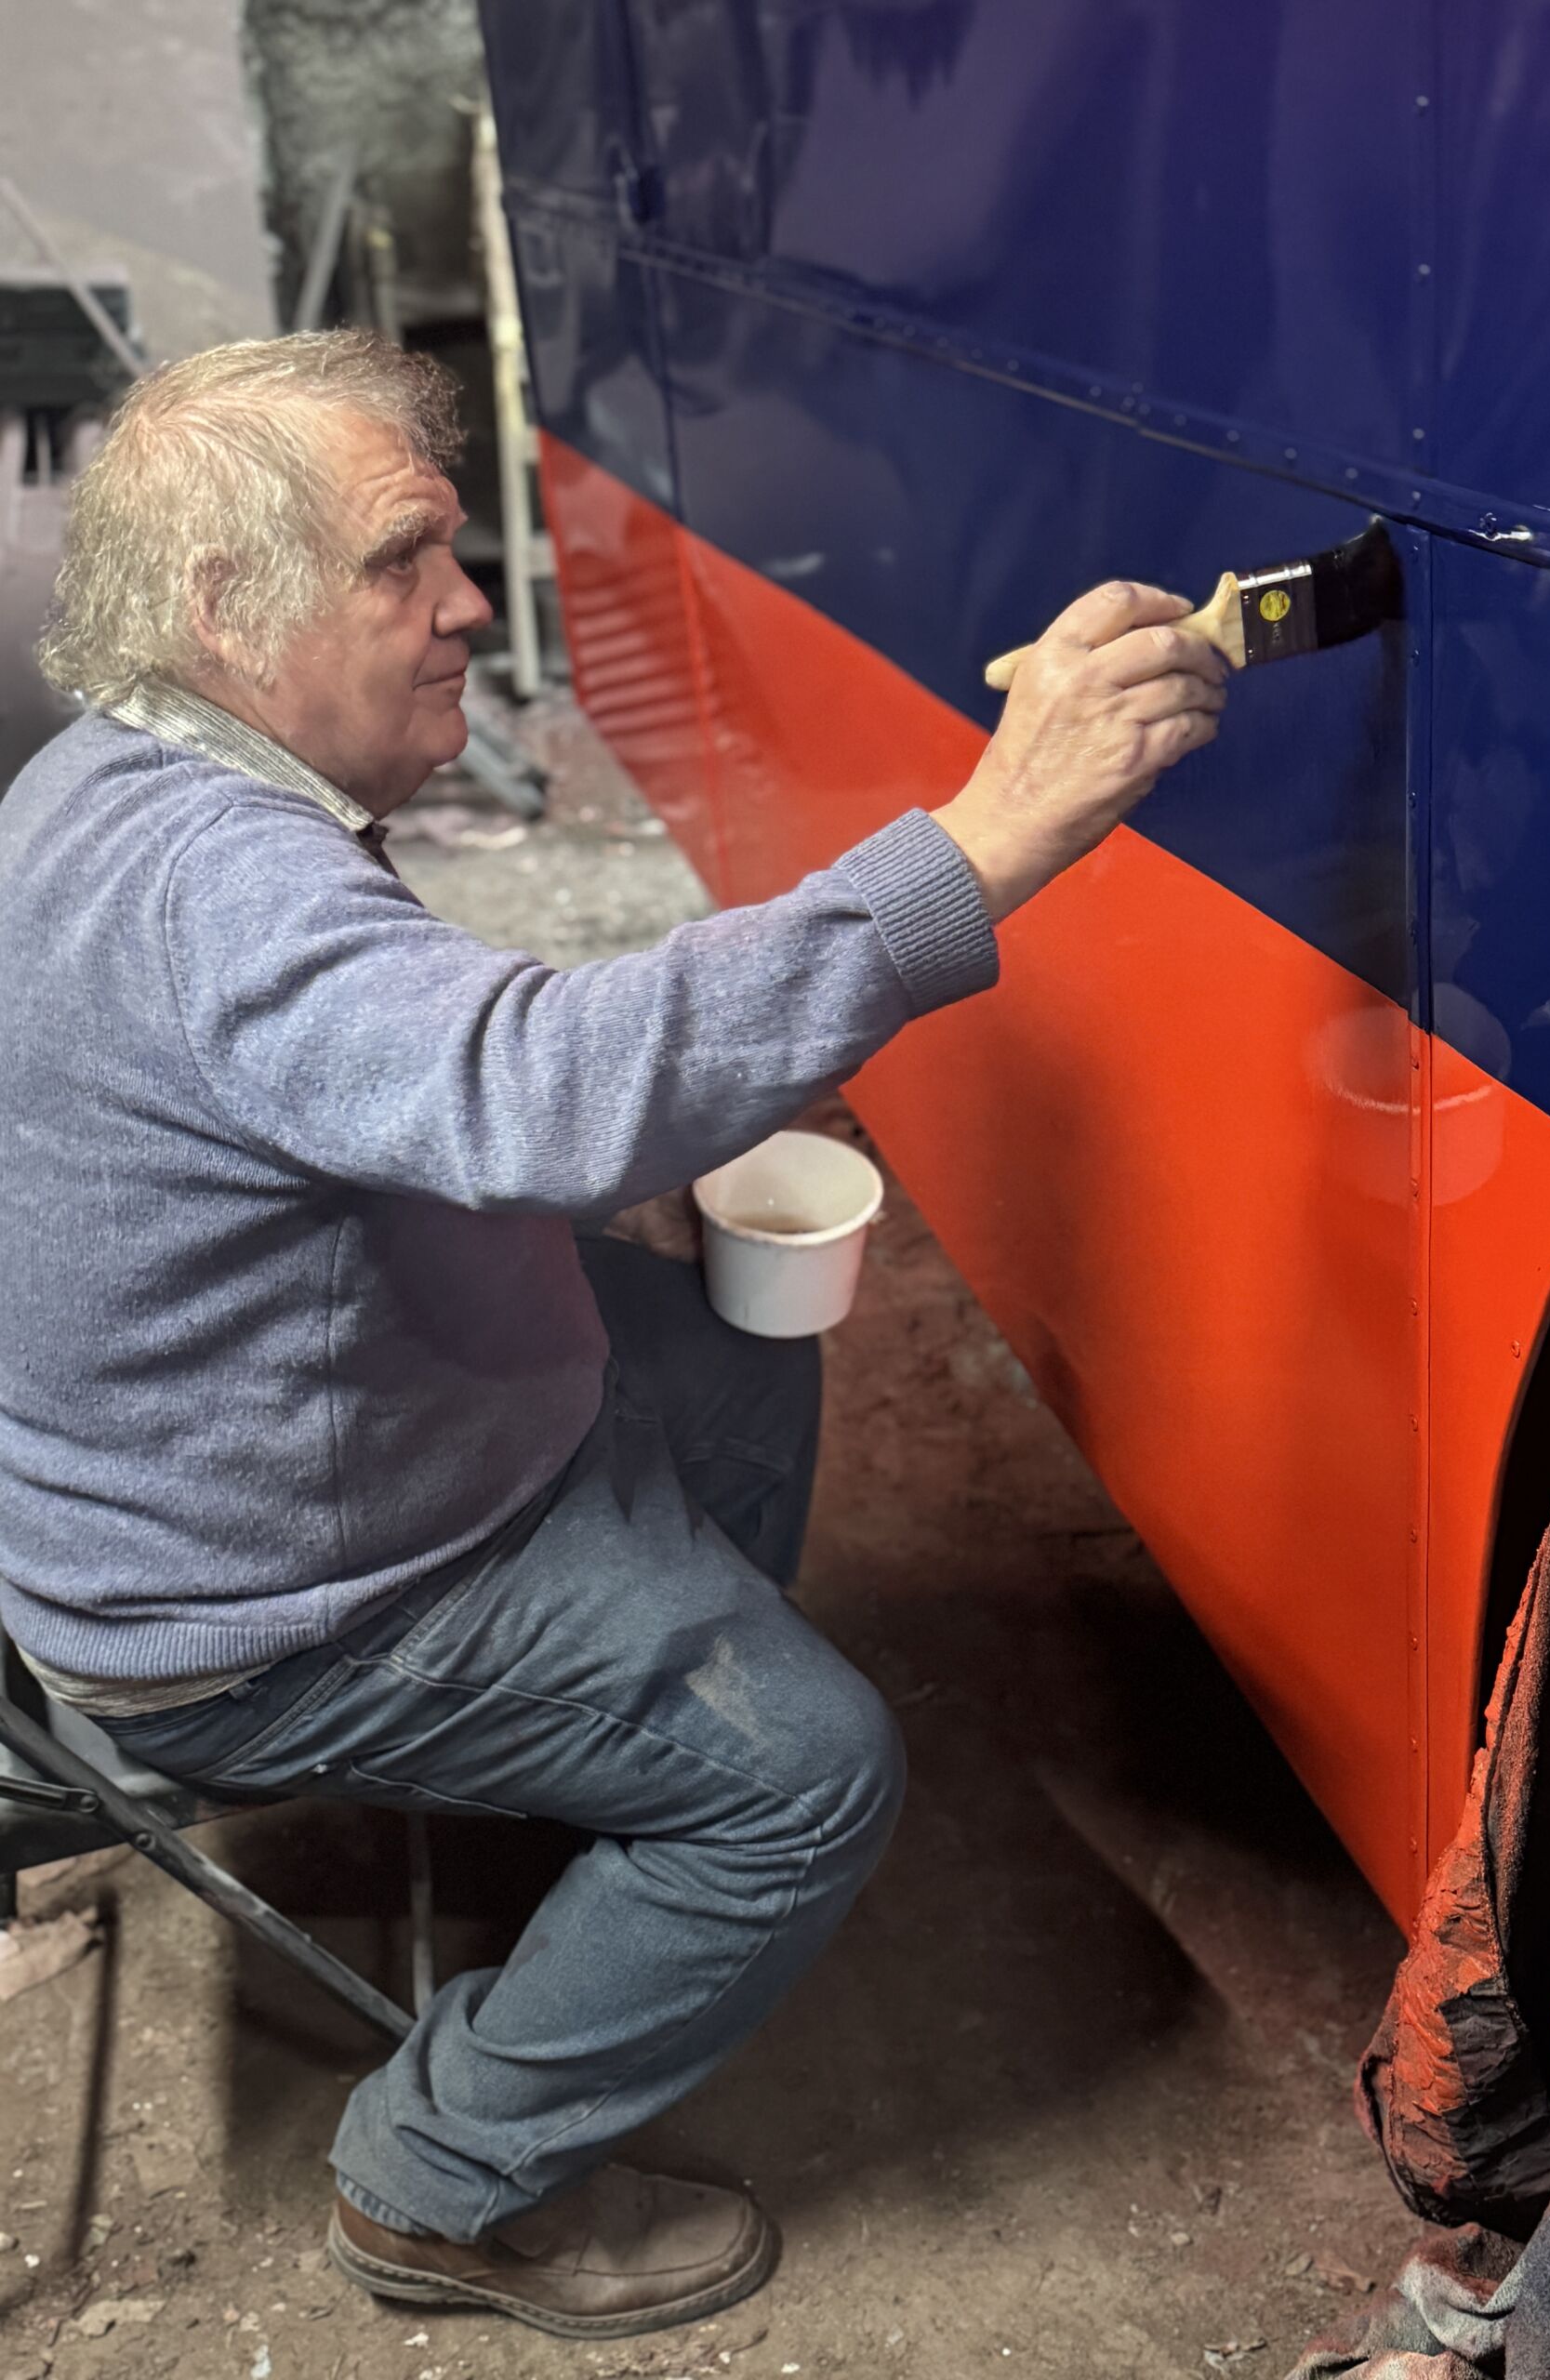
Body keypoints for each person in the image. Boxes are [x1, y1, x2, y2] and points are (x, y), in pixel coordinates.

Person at [0, 332, 1226, 2340]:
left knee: (731, 1350)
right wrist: (993, 831)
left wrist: (603, 1146)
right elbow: (537, 1088)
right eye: (404, 559)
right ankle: (439, 2181)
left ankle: (627, 1802)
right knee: (812, 1772)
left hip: (254, 1469)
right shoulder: (217, 888)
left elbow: (380, 1082)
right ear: (226, 607)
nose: (471, 604)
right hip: (255, 1608)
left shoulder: (106, 776)